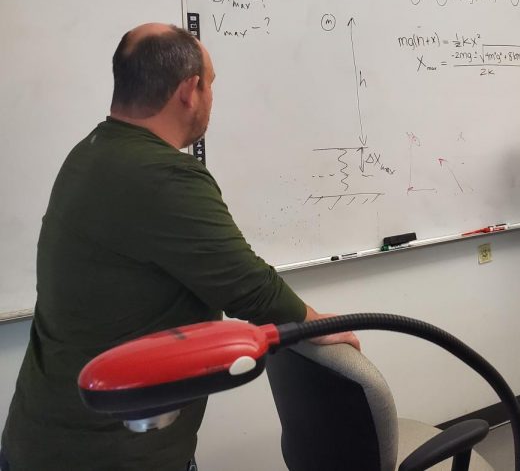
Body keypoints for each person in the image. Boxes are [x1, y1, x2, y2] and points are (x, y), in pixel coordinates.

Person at [0, 23, 359, 471]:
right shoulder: (162, 175)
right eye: (210, 84)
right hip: (106, 452)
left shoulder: (91, 151)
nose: (211, 97)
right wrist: (317, 324)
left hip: (45, 435)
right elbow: (250, 288)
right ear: (190, 90)